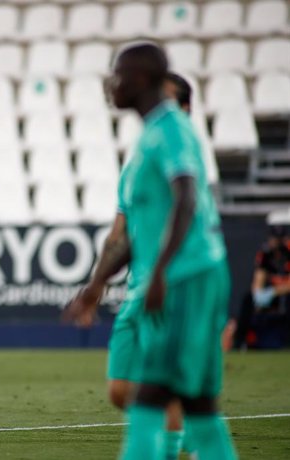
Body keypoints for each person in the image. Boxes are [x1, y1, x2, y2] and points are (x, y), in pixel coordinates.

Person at [68, 44, 237, 459]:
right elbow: (141, 231)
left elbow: (187, 198)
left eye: (119, 74)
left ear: (140, 79)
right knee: (195, 403)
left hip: (185, 276)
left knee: (152, 392)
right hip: (179, 274)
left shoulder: (172, 130)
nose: (113, 83)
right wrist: (96, 284)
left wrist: (159, 271)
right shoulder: (150, 136)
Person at [65, 70, 196, 460]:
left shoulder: (181, 149)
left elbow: (188, 209)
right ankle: (187, 425)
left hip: (171, 284)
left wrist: (163, 273)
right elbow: (121, 235)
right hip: (139, 288)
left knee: (159, 386)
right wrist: (96, 284)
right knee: (120, 390)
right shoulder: (137, 162)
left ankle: (179, 440)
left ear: (186, 107)